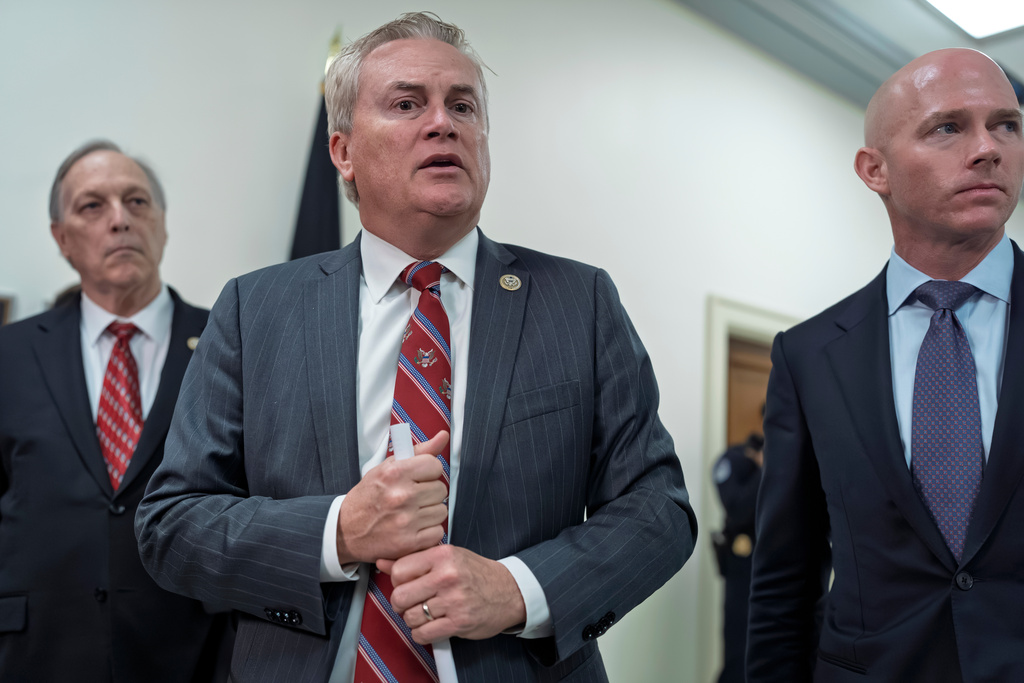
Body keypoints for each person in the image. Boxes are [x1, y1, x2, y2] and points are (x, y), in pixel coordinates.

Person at [136, 11, 696, 683]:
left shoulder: (580, 303)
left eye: (463, 105)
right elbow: (172, 523)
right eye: (407, 103)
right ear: (342, 150)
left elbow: (658, 507)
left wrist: (519, 589)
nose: (443, 122)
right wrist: (340, 530)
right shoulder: (254, 310)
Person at [747, 48, 1024, 682]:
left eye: (1006, 124)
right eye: (948, 127)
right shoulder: (811, 354)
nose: (988, 149)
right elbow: (785, 580)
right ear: (876, 170)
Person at [0, 141, 231, 681]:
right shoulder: (8, 355)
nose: (120, 220)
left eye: (137, 202)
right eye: (92, 206)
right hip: (36, 654)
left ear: (163, 224)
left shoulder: (230, 342)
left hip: (191, 649)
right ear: (61, 238)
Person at [711, 432, 762, 683]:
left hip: (787, 566)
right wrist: (767, 467)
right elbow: (737, 507)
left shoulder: (796, 455)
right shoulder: (734, 459)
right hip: (743, 566)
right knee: (739, 652)